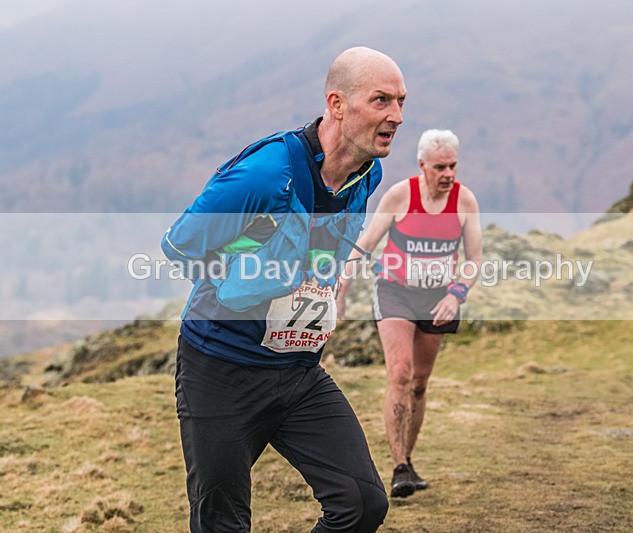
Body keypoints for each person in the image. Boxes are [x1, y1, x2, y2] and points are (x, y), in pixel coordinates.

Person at [161, 47, 406, 532]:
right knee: (223, 524)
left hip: (297, 370)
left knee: (361, 503)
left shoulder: (367, 174)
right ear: (337, 104)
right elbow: (179, 247)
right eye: (381, 101)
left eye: (400, 102)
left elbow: (327, 244)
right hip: (221, 370)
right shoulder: (266, 172)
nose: (396, 116)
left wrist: (324, 281)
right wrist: (254, 268)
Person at [337, 129, 482, 498]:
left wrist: (457, 293)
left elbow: (474, 260)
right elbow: (366, 243)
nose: (448, 174)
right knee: (400, 373)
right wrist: (342, 287)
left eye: (452, 165)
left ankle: (410, 462)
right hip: (395, 292)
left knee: (419, 382)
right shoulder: (401, 195)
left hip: (438, 298)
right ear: (422, 166)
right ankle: (399, 466)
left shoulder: (465, 202)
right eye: (440, 167)